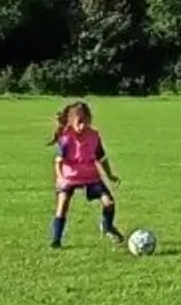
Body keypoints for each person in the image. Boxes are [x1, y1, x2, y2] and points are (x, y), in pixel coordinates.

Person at [50, 101, 126, 249]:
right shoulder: (66, 139)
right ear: (71, 122)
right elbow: (58, 162)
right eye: (79, 122)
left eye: (86, 121)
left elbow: (101, 158)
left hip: (91, 176)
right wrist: (60, 178)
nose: (83, 126)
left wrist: (109, 175)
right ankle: (56, 240)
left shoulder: (94, 136)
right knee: (62, 204)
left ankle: (108, 226)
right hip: (70, 177)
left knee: (109, 203)